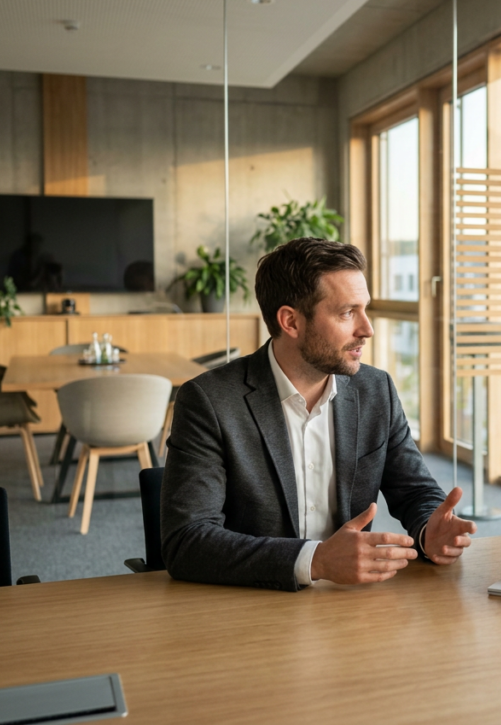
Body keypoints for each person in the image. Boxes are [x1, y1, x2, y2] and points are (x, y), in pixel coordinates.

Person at [162, 238, 476, 591]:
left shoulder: (376, 391)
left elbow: (416, 491)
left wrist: (429, 529)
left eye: (365, 309)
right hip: (250, 604)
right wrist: (316, 560)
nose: (367, 329)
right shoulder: (211, 401)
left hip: (348, 606)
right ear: (291, 322)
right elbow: (187, 541)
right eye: (347, 312)